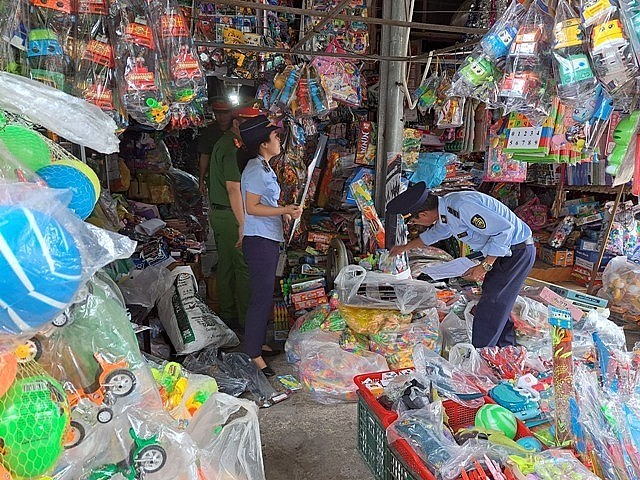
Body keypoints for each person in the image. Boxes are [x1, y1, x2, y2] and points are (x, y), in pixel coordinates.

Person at [388, 182, 535, 348]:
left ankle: (482, 354)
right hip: (505, 252)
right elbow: (437, 233)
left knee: (492, 304)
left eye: (415, 221)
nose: (417, 225)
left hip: (516, 252)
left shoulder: (462, 206)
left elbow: (504, 231)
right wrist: (405, 248)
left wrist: (484, 266)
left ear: (423, 214)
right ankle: (505, 348)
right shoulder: (447, 208)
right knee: (496, 302)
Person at [239, 115, 302, 376]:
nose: (279, 140)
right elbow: (252, 208)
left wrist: (284, 212)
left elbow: (266, 203)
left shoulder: (264, 167)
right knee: (260, 298)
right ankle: (253, 354)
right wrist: (284, 210)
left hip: (267, 238)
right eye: (275, 136)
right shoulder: (255, 169)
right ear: (263, 143)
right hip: (259, 241)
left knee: (265, 296)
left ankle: (257, 343)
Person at [205, 105, 260, 331]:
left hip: (223, 214)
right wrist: (243, 223)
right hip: (231, 215)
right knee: (242, 266)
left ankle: (228, 315)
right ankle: (246, 320)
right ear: (236, 124)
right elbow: (233, 188)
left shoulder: (227, 143)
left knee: (226, 266)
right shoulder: (232, 147)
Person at [198, 97, 234, 195]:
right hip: (215, 175)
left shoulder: (237, 129)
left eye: (225, 113)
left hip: (235, 174)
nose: (221, 117)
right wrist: (201, 180)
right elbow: (204, 156)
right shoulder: (209, 132)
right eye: (218, 113)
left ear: (231, 113)